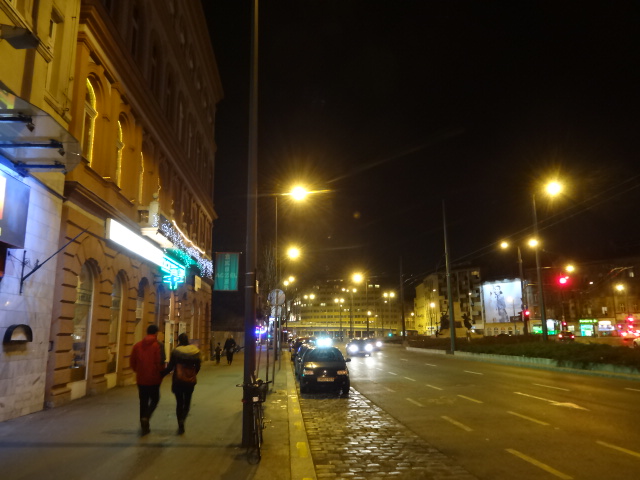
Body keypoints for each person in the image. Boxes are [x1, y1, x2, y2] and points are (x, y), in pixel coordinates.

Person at [162, 333, 201, 434]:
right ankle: (183, 419)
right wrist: (192, 374)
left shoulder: (176, 352)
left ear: (179, 340)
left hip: (178, 380)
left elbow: (170, 367)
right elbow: (198, 366)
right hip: (189, 382)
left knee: (179, 403)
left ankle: (180, 425)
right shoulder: (194, 351)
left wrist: (160, 375)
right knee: (187, 403)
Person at [130, 324, 165, 435]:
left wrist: (138, 371)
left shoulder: (137, 345)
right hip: (154, 378)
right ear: (156, 333)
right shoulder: (158, 345)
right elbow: (161, 362)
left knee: (143, 402)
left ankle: (144, 427)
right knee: (155, 399)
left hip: (141, 379)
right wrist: (160, 374)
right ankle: (146, 416)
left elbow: (132, 362)